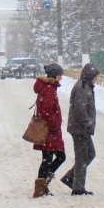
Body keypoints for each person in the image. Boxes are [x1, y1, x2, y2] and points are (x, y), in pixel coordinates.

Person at [60, 62, 98, 196]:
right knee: (82, 157)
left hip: (81, 128)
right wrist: (88, 122)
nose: (96, 79)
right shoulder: (82, 87)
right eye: (95, 77)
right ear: (89, 76)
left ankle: (71, 178)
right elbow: (79, 108)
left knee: (89, 154)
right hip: (80, 128)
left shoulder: (86, 85)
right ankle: (77, 188)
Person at [31, 63, 66, 198]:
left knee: (48, 158)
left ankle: (42, 186)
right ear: (55, 76)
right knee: (58, 157)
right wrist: (54, 126)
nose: (61, 78)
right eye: (60, 76)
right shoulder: (49, 90)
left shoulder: (47, 88)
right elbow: (46, 112)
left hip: (48, 130)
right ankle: (41, 187)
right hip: (49, 131)